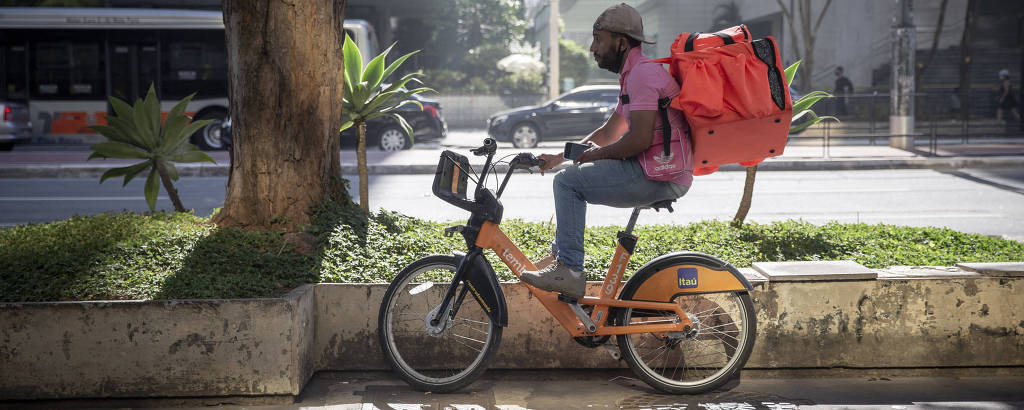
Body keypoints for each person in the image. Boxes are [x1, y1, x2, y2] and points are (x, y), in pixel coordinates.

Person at [520, 3, 692, 298]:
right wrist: (559, 157)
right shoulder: (634, 74)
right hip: (655, 170)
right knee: (568, 174)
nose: (592, 48)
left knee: (567, 182)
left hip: (659, 174)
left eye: (599, 40)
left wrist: (592, 156)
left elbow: (637, 140)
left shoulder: (642, 76)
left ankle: (570, 270)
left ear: (621, 43)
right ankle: (563, 258)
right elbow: (608, 133)